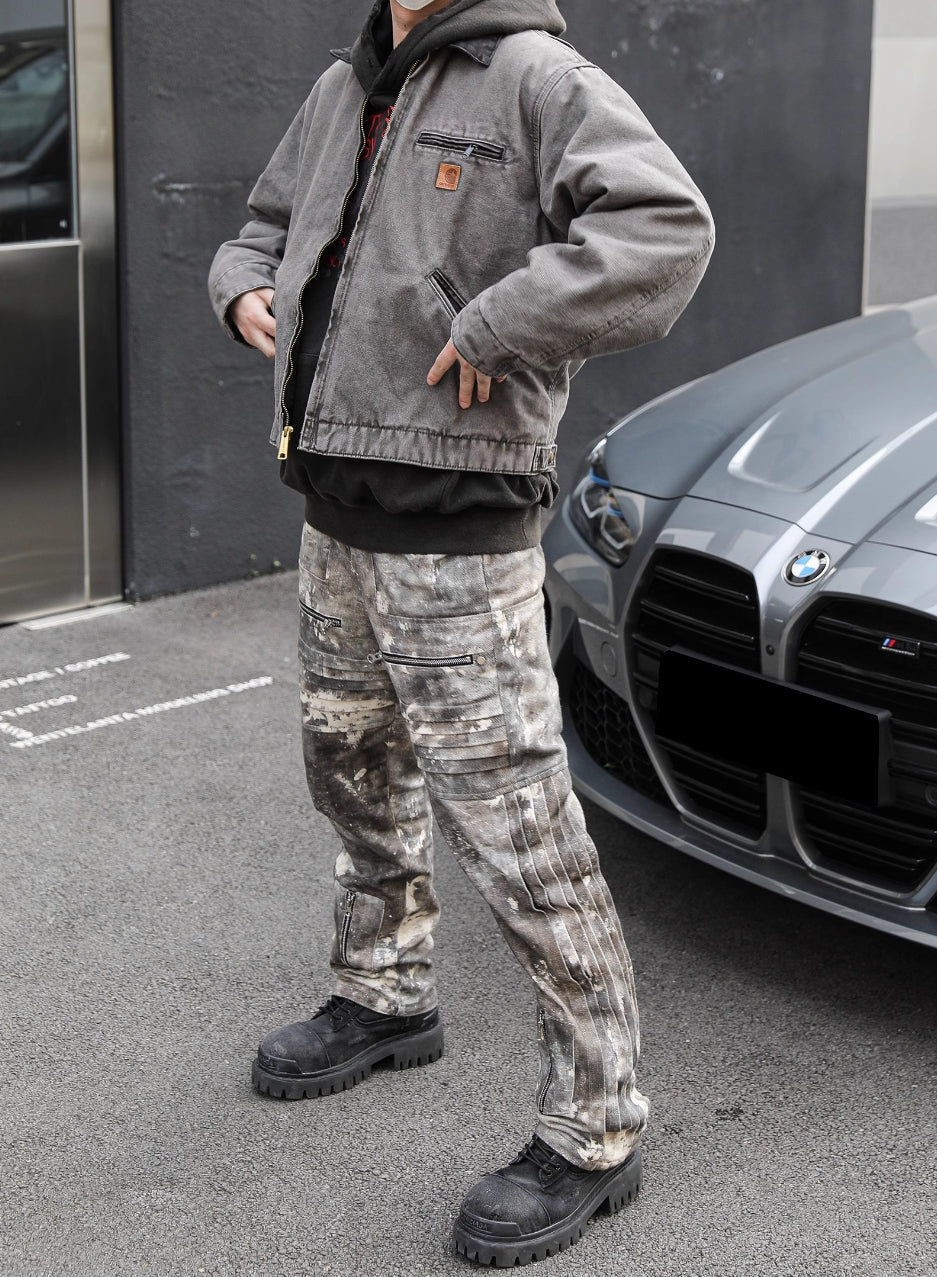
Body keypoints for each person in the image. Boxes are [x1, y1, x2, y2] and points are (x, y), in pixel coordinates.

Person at [209, 0, 713, 1265]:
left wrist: (497, 321)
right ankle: (385, 992)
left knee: (517, 835)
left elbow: (662, 231)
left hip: (459, 523)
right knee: (351, 771)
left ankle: (596, 1123)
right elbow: (265, 224)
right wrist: (242, 287)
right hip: (335, 507)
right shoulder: (343, 85)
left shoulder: (537, 77)